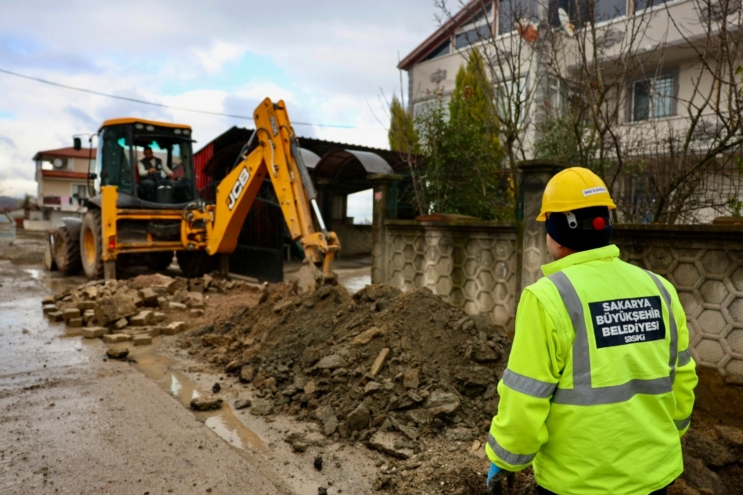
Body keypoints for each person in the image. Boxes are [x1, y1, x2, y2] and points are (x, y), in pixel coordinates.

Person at [485, 167, 698, 495]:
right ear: (604, 225)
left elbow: (526, 396)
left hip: (578, 482)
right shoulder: (660, 289)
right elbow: (682, 379)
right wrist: (667, 436)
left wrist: (506, 457)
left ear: (559, 230)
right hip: (655, 474)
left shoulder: (547, 297)